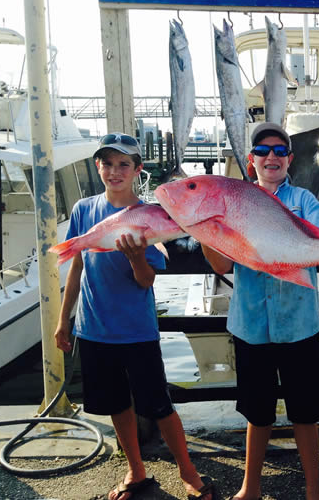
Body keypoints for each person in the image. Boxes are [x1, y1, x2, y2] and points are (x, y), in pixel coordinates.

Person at [54, 133, 214, 500]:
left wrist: (136, 256)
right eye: (107, 164)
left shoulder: (153, 216)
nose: (114, 171)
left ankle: (188, 471)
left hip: (137, 332)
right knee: (116, 405)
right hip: (93, 329)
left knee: (160, 405)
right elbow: (77, 266)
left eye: (123, 164)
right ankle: (136, 471)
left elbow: (146, 281)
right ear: (98, 167)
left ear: (137, 170)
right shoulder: (83, 210)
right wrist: (66, 320)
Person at [203, 122, 319, 500]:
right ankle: (251, 486)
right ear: (251, 160)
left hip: (298, 325)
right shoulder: (233, 201)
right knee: (257, 412)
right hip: (251, 325)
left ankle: (313, 488)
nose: (271, 157)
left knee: (305, 412)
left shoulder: (305, 201)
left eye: (280, 151)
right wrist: (204, 229)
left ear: (290, 159)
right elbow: (219, 265)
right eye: (263, 151)